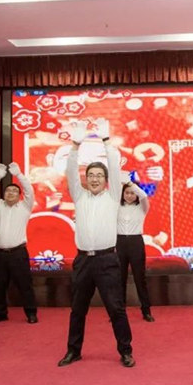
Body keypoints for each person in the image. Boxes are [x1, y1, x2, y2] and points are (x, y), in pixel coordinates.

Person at [57, 119, 135, 368]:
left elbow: (113, 163)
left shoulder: (112, 196)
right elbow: (71, 171)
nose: (94, 179)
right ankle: (73, 351)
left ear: (106, 179)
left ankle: (126, 351)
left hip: (107, 260)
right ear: (85, 178)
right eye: (90, 175)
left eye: (99, 175)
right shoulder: (79, 196)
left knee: (116, 308)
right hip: (83, 261)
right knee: (78, 309)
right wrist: (75, 145)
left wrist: (106, 141)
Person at [0, 162, 38, 324]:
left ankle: (31, 313)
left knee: (25, 285)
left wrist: (19, 175)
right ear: (4, 194)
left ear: (19, 196)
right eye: (8, 190)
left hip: (18, 253)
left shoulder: (24, 207)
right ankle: (0, 313)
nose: (11, 193)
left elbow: (29, 191)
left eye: (15, 191)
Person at [117, 181, 155, 322]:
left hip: (136, 243)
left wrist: (130, 183)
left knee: (140, 278)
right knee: (120, 279)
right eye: (126, 193)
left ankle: (146, 311)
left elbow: (143, 195)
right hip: (120, 242)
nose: (129, 195)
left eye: (132, 193)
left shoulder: (142, 207)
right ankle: (119, 312)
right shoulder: (117, 207)